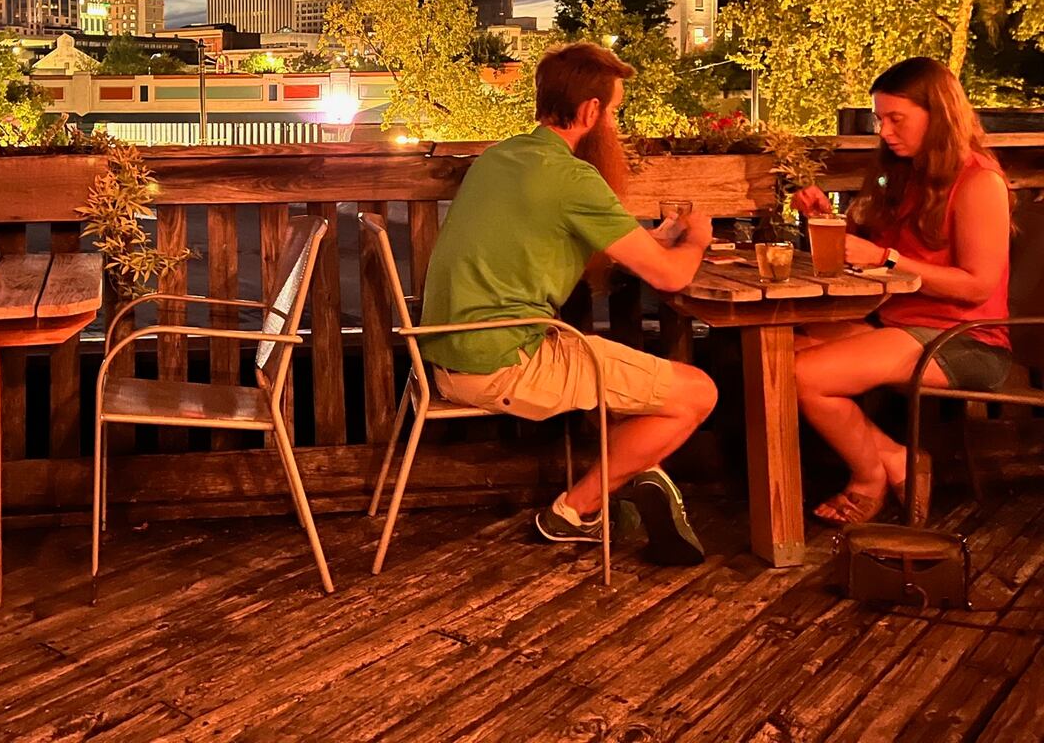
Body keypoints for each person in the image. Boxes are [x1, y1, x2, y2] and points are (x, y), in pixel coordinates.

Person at [420, 42, 719, 564]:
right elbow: (671, 276)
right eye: (615, 113)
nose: (616, 128)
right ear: (590, 112)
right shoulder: (574, 178)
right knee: (696, 393)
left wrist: (651, 237)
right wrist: (696, 237)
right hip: (502, 362)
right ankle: (576, 511)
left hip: (445, 354)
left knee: (638, 393)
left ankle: (632, 474)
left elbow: (542, 238)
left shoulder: (499, 157)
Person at [791, 56, 1012, 525]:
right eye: (879, 118)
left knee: (802, 376)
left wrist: (889, 261)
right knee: (779, 357)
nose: (884, 131)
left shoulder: (978, 181)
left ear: (939, 115)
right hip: (902, 323)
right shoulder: (906, 174)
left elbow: (978, 286)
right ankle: (895, 457)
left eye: (896, 119)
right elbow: (871, 247)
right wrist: (820, 219)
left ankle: (869, 476)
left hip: (968, 338)